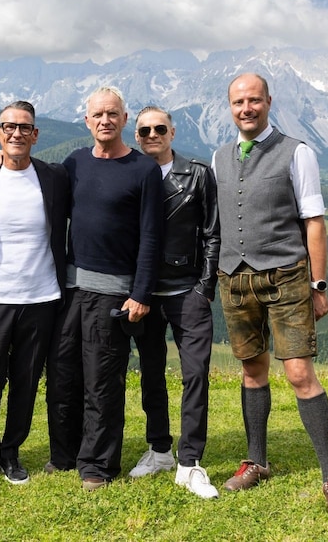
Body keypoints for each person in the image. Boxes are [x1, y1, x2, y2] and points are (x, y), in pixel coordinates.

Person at [212, 72, 328, 521]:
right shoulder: (219, 156)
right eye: (238, 102)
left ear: (269, 102)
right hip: (234, 278)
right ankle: (257, 460)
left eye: (254, 100)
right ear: (230, 106)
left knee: (299, 374)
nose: (246, 109)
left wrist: (319, 285)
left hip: (286, 277)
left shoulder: (297, 152)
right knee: (252, 370)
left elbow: (314, 221)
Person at [46, 86, 164, 490]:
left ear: (124, 120)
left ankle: (97, 465)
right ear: (86, 121)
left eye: (112, 114)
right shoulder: (74, 163)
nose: (105, 121)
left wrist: (142, 293)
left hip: (114, 293)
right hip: (68, 289)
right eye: (97, 115)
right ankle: (64, 454)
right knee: (63, 376)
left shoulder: (143, 170)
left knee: (101, 381)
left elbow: (152, 236)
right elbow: (40, 189)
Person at [0, 101, 69, 485]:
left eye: (25, 128)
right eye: (9, 127)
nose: (17, 133)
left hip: (41, 298)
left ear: (35, 135)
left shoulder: (54, 178)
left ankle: (11, 452)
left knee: (26, 380)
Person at [127, 106, 221, 499]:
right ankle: (160, 449)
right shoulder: (128, 174)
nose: (152, 134)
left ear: (172, 132)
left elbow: (213, 233)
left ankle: (190, 460)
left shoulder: (198, 174)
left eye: (159, 128)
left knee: (195, 374)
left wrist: (205, 287)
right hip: (145, 293)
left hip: (187, 290)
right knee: (150, 373)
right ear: (136, 134)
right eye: (144, 129)